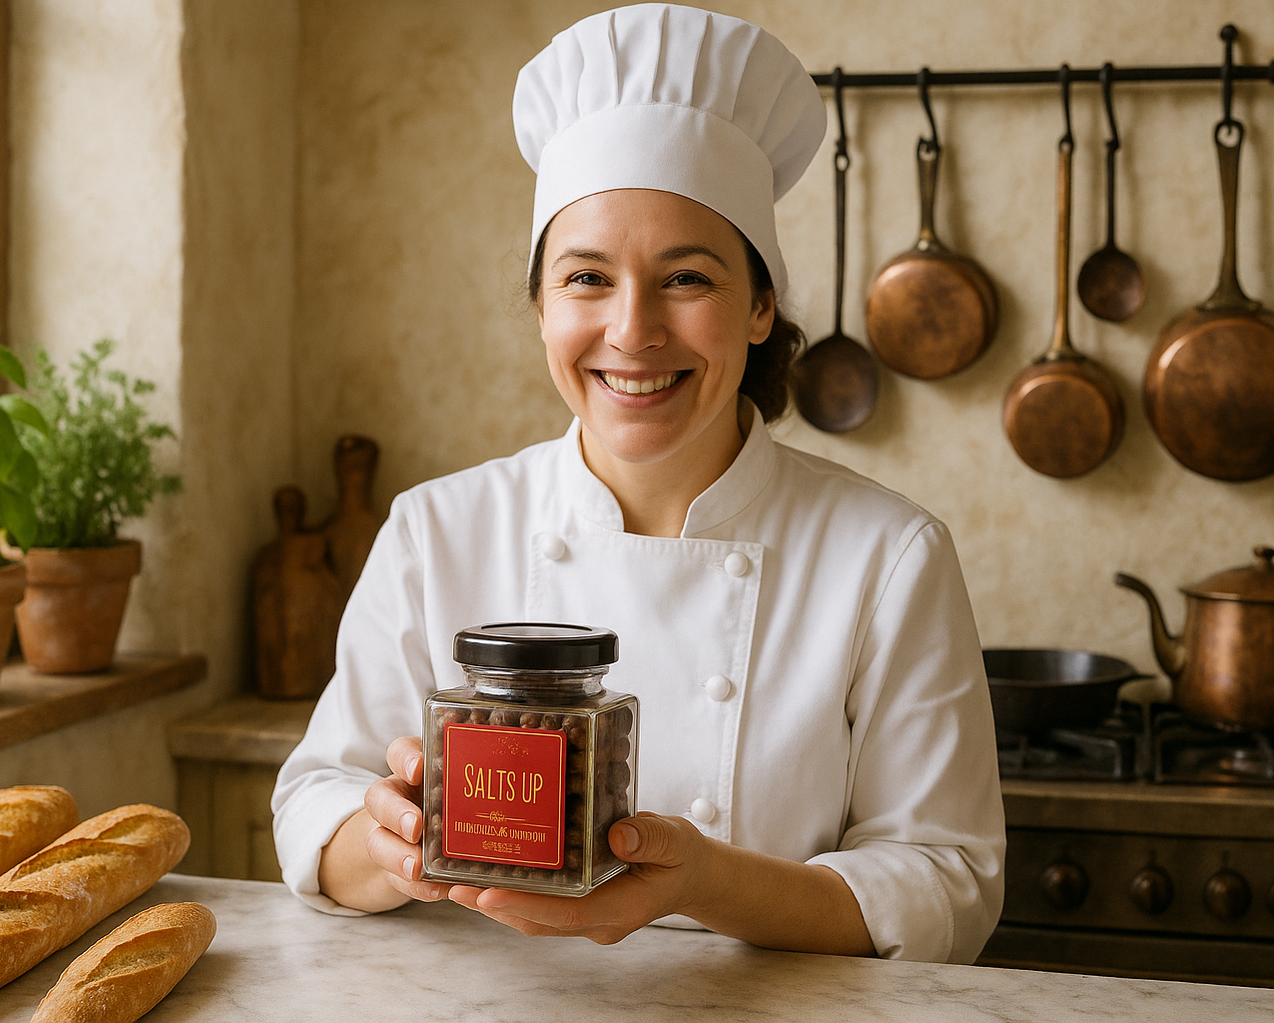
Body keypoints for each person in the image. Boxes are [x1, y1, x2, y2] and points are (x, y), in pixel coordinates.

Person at [272, 3, 1005, 964]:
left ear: (760, 305)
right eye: (586, 279)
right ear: (541, 306)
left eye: (686, 278)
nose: (632, 331)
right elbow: (315, 805)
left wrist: (704, 881)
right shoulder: (436, 529)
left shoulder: (886, 555)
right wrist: (401, 843)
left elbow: (945, 881)